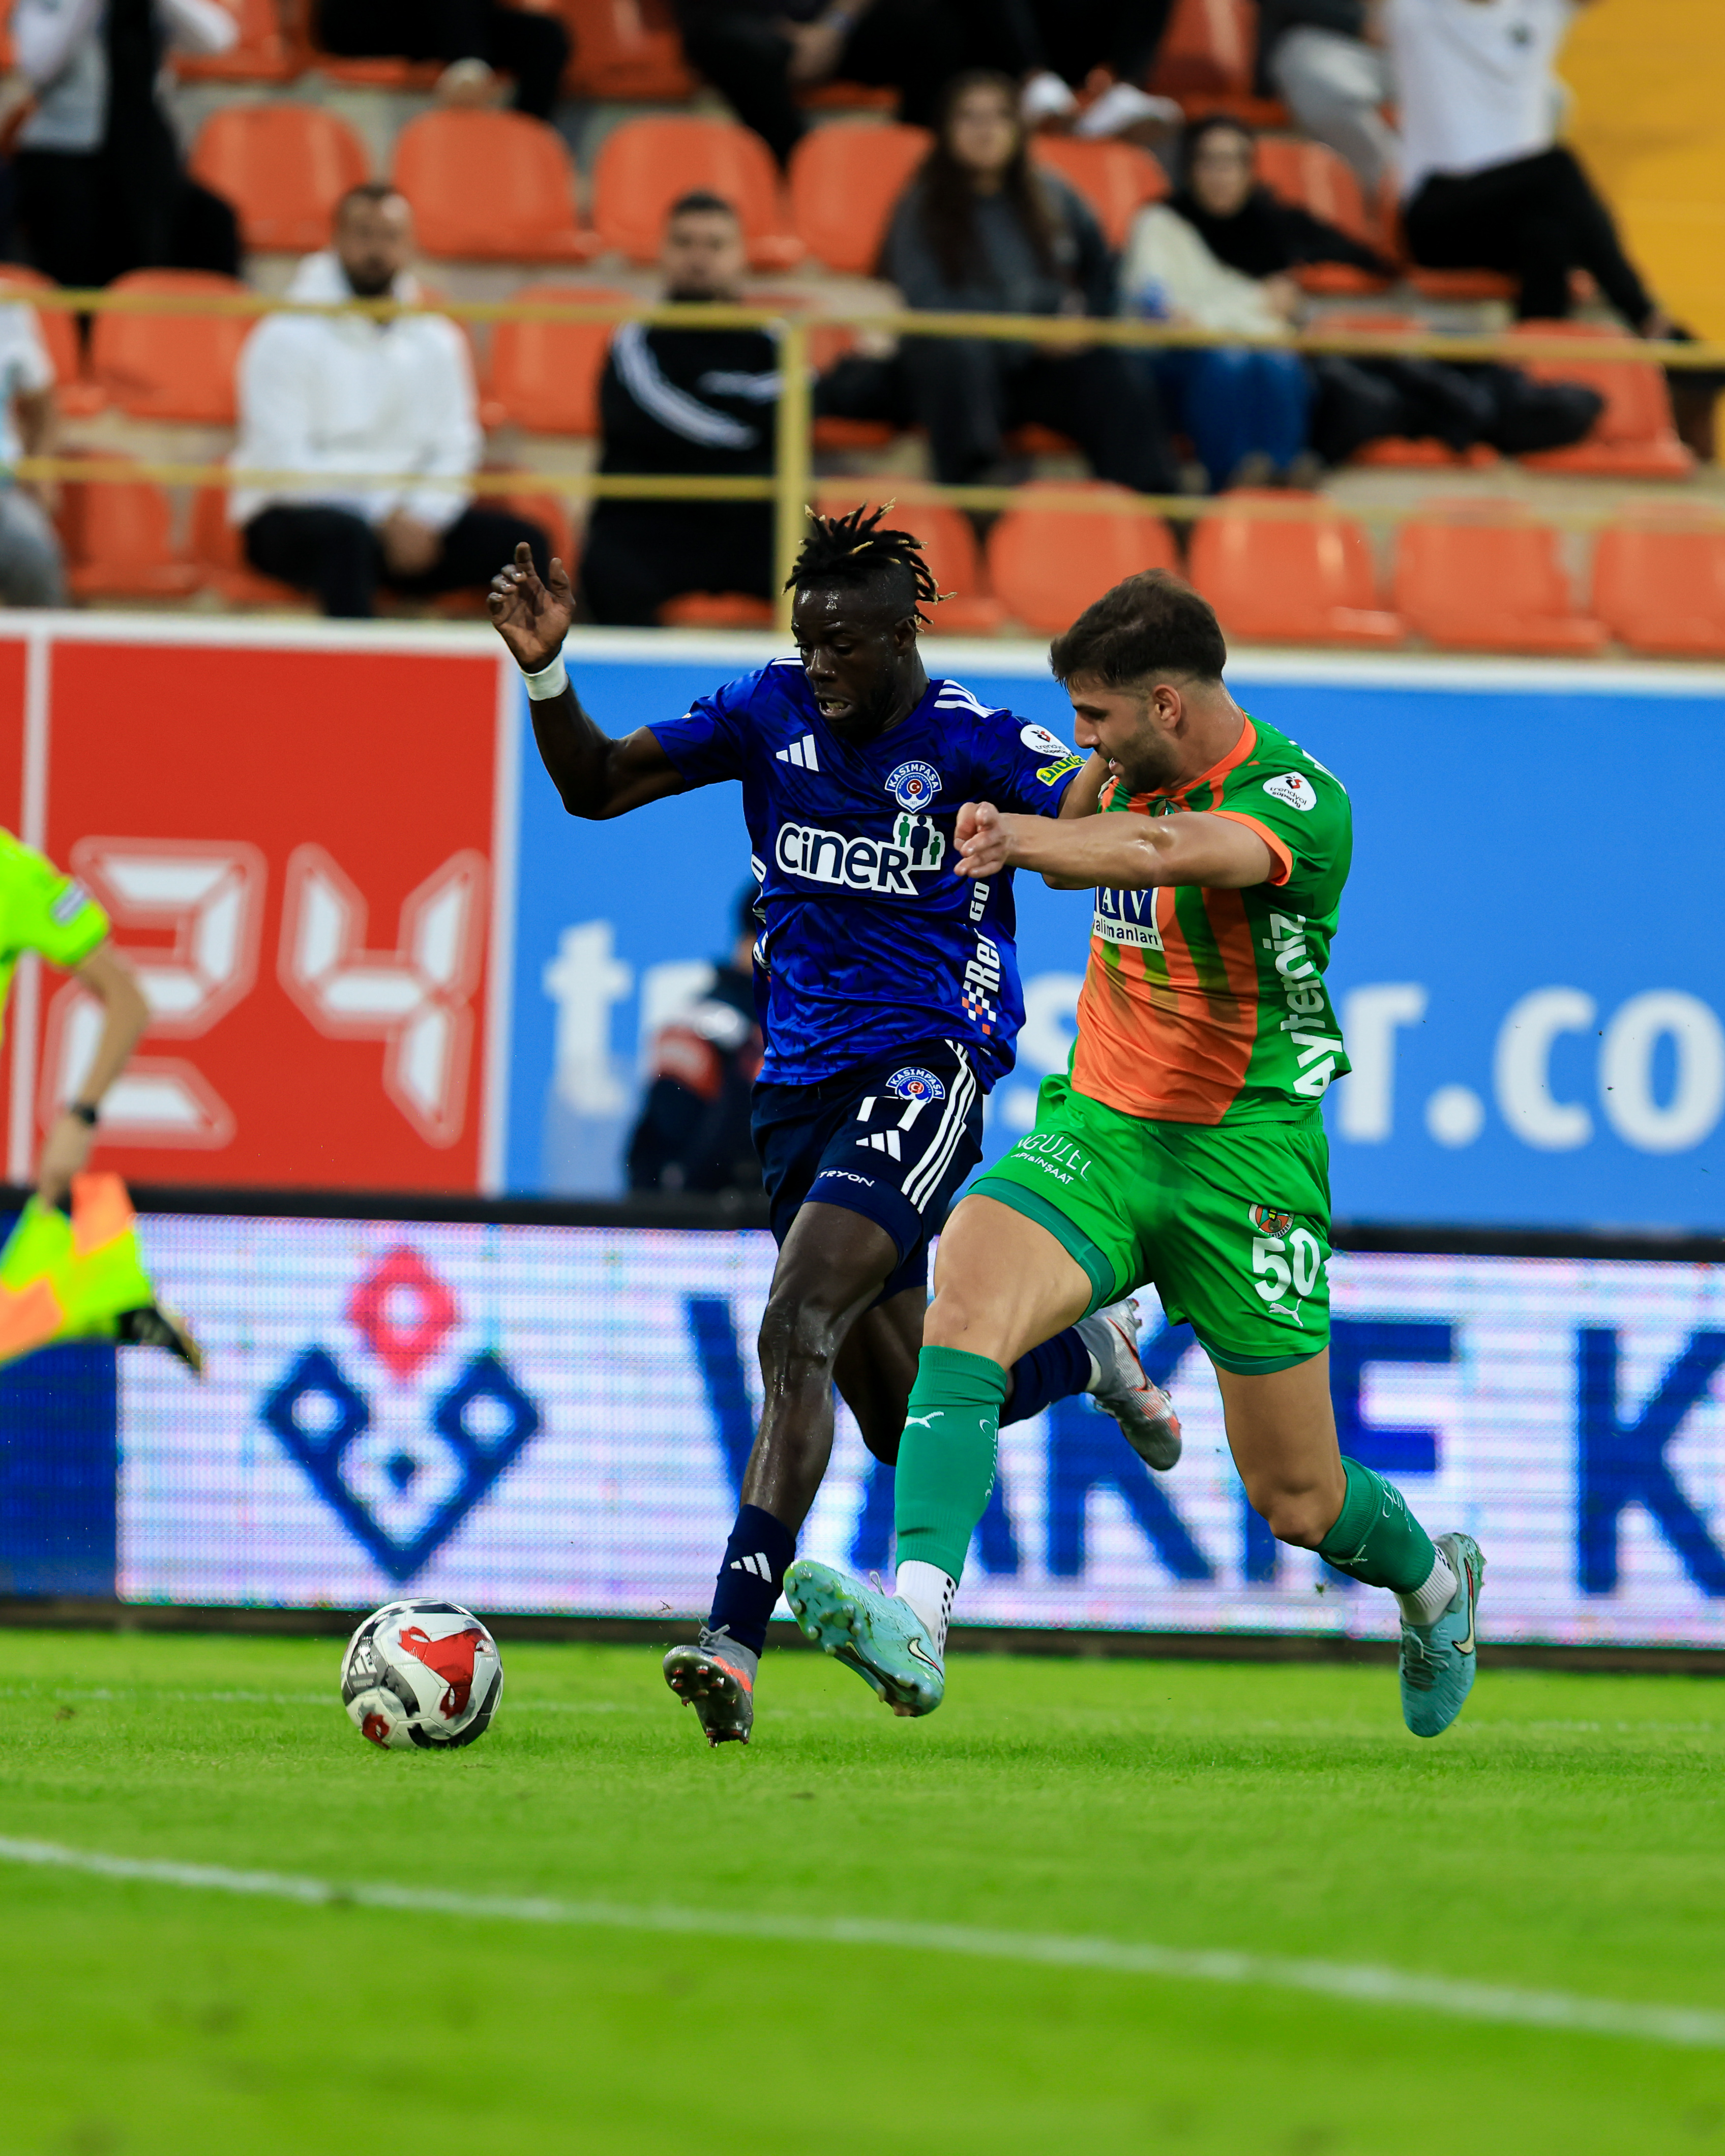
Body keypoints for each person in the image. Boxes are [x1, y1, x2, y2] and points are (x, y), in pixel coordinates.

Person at [488, 503, 1183, 1746]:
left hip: (926, 1064)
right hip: (796, 1089)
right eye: (806, 640)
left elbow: (1074, 808)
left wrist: (1109, 759)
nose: (818, 664)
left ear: (902, 635)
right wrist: (546, 673)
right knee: (895, 1410)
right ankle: (1086, 1355)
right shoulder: (766, 711)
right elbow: (595, 786)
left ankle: (730, 1639)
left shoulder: (969, 738)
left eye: (841, 645)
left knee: (796, 1313)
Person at [785, 570, 1486, 1744]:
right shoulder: (1121, 770)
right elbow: (1078, 851)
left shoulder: (1298, 801)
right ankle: (917, 1617)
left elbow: (1163, 849)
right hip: (1102, 1133)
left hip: (1243, 1168)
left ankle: (1434, 1583)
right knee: (968, 1293)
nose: (1083, 739)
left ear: (1166, 703)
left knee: (1297, 1497)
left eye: (1096, 717)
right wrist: (1011, 821)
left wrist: (1021, 832)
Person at [233, 183, 549, 621]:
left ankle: (521, 666)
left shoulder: (437, 339)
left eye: (390, 236)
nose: (376, 250)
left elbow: (456, 444)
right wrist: (384, 513)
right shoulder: (284, 336)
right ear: (337, 239)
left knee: (525, 547)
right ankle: (353, 666)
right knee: (347, 540)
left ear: (409, 244)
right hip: (295, 518)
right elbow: (284, 464)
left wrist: (425, 516)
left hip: (411, 523)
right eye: (364, 234)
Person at [882, 70, 1179, 493]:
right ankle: (976, 494)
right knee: (952, 353)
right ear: (946, 129)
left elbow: (1103, 266)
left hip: (1040, 365)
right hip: (963, 366)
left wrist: (1088, 325)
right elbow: (928, 302)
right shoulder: (921, 203)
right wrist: (1029, 335)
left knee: (1114, 373)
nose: (985, 131)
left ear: (1018, 128)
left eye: (999, 117)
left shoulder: (1051, 193)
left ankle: (1152, 499)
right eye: (969, 117)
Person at [0, 827, 200, 1373]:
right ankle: (99, 1303)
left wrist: (80, 1118)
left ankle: (92, 1300)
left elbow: (128, 1001)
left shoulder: (13, 875)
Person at [1120, 113, 1392, 488]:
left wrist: (1292, 305)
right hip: (1177, 360)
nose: (1221, 175)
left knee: (1278, 361)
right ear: (1189, 167)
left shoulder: (1269, 228)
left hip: (1252, 350)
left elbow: (1363, 264)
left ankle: (1282, 478)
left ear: (1249, 171)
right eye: (1209, 161)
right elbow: (1157, 309)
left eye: (1233, 162)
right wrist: (1254, 303)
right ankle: (1230, 482)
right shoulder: (1159, 225)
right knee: (1228, 360)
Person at [1388, 0, 1674, 332]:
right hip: (1436, 216)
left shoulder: (1536, 11)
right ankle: (1645, 316)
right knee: (1556, 170)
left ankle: (1534, 356)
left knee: (1547, 235)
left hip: (1507, 221)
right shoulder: (1417, 12)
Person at [582, 191, 775, 628]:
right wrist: (748, 426)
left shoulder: (775, 340)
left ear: (742, 256)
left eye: (715, 245)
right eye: (684, 243)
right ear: (663, 253)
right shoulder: (634, 340)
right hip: (652, 528)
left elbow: (801, 409)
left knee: (845, 568)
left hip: (751, 528)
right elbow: (649, 421)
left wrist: (710, 399)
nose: (698, 258)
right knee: (605, 571)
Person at [10, 0, 242, 289]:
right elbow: (38, 66)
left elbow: (218, 40)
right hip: (65, 150)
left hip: (141, 149)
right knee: (74, 223)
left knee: (211, 221)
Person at [626, 887, 764, 1196]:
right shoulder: (699, 1027)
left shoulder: (817, 1027)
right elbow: (659, 1162)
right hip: (711, 1216)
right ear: (750, 943)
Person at [313, 0, 571, 125]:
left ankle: (525, 143)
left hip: (447, 22)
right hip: (364, 18)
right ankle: (468, 68)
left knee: (545, 36)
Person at [1254, 0, 1399, 198]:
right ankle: (1397, 185)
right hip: (1313, 43)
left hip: (1388, 48)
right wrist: (1359, 23)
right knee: (1326, 89)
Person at [0, 298, 65, 605]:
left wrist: (41, 470)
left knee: (33, 550)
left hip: (4, 491)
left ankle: (47, 636)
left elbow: (44, 411)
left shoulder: (8, 309)